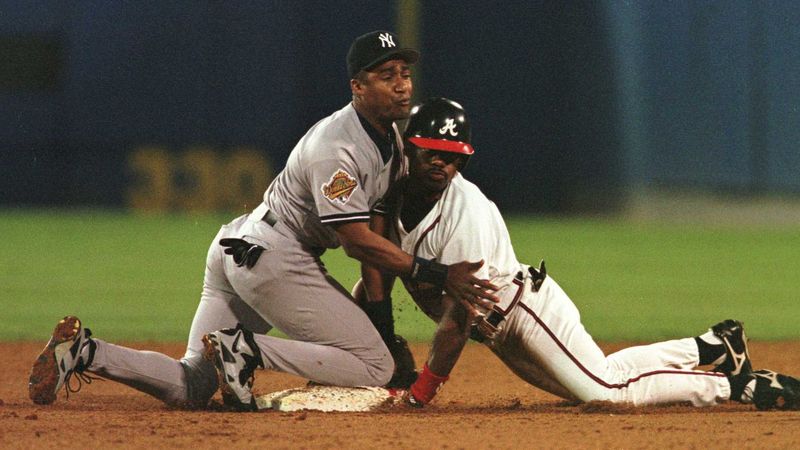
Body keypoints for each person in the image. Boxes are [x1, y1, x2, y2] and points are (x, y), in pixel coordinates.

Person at [28, 32, 499, 411]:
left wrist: (380, 318)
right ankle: (246, 350)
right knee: (375, 366)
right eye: (386, 75)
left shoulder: (390, 139)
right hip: (276, 255)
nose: (401, 85)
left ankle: (84, 352)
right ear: (357, 86)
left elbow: (373, 231)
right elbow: (357, 242)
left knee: (193, 385)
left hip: (245, 247)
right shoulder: (339, 146)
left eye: (405, 74)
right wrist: (436, 273)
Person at [355, 97, 800, 410]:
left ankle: (739, 387)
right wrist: (382, 336)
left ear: (463, 161)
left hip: (523, 313)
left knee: (605, 392)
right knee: (601, 375)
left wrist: (423, 391)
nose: (441, 162)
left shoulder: (463, 214)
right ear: (409, 149)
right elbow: (377, 269)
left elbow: (458, 320)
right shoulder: (391, 196)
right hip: (498, 327)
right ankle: (712, 346)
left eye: (451, 156)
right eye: (431, 152)